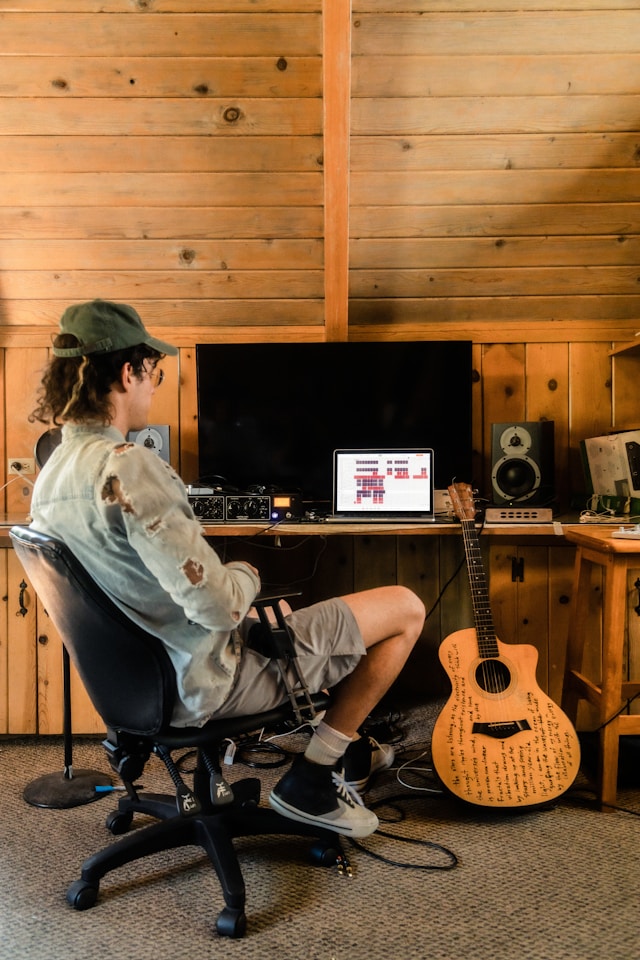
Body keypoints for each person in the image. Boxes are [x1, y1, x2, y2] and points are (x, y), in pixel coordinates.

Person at [28, 299, 426, 839]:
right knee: (405, 607)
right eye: (153, 373)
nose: (153, 386)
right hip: (206, 684)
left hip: (140, 689)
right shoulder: (127, 465)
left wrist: (245, 612)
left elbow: (136, 593)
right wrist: (247, 573)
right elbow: (217, 605)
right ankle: (313, 776)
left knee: (280, 617)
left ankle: (345, 755)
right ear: (128, 372)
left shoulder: (50, 480)